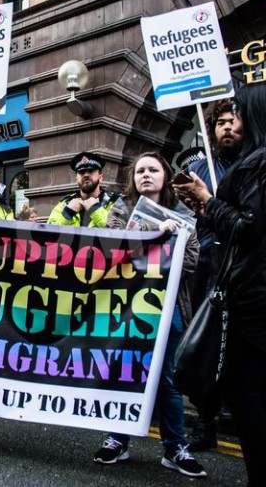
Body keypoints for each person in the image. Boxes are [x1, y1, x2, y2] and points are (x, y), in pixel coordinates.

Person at [174, 83, 266, 486]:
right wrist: (205, 207)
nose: (234, 124)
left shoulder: (256, 165)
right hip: (247, 288)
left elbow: (247, 229)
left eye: (239, 114)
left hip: (252, 296)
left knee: (245, 392)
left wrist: (209, 201)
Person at [93, 152, 205, 478]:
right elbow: (113, 251)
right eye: (140, 170)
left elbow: (191, 261)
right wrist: (156, 233)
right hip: (127, 308)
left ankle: (175, 447)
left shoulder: (183, 215)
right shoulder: (119, 210)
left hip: (169, 311)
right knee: (124, 374)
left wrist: (163, 241)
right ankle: (118, 439)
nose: (145, 175)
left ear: (165, 176)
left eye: (153, 169)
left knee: (167, 381)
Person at [182, 99, 242, 452]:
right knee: (204, 342)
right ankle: (206, 421)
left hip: (243, 268)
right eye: (220, 122)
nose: (227, 127)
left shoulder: (253, 165)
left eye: (233, 121)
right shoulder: (200, 169)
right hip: (208, 265)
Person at [47, 151, 119, 227]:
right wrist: (67, 213)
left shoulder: (114, 202)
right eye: (81, 172)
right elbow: (49, 232)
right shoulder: (64, 204)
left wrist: (96, 209)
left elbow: (119, 230)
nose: (86, 175)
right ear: (76, 179)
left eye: (91, 171)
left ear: (100, 177)